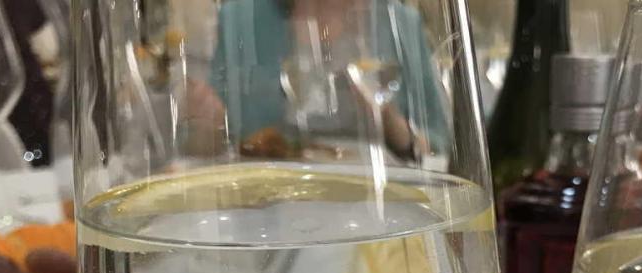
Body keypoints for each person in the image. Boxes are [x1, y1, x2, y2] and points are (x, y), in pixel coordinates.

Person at [185, 0, 449, 161]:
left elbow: (439, 146)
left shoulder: (400, 22)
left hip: (382, 202)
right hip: (270, 206)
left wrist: (390, 122)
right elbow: (208, 143)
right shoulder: (239, 17)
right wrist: (208, 124)